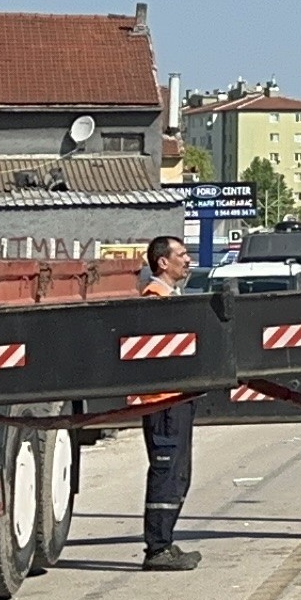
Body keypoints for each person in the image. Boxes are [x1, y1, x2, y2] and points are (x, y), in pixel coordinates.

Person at [135, 235, 200, 571]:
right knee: (166, 472)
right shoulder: (155, 300)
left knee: (179, 473)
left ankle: (165, 541)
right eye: (182, 254)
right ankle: (157, 548)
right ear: (163, 262)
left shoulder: (171, 297)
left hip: (177, 399)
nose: (187, 260)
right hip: (163, 403)